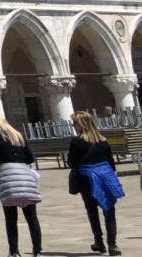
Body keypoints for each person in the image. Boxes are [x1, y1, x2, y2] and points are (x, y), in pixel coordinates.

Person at [0, 111, 42, 257]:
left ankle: (14, 251)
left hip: (8, 175)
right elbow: (30, 158)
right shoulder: (18, 135)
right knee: (32, 217)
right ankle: (38, 251)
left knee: (11, 217)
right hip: (24, 175)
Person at [68, 110, 124, 256]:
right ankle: (113, 245)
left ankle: (99, 242)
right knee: (109, 210)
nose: (73, 126)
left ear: (81, 124)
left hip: (86, 179)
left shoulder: (76, 141)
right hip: (106, 177)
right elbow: (111, 163)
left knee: (92, 211)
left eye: (75, 123)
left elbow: (71, 162)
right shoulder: (103, 141)